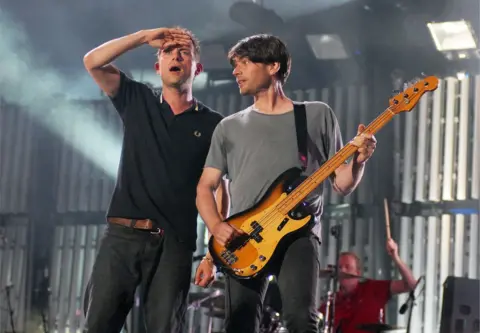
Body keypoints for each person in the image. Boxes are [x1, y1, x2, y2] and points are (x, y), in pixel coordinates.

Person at [195, 34, 377, 333]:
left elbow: (342, 184)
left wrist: (359, 161)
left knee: (301, 321)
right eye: (234, 66)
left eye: (243, 63)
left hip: (298, 235)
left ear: (272, 66)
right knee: (239, 324)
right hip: (243, 237)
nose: (235, 72)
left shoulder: (317, 114)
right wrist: (215, 226)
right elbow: (205, 187)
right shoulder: (228, 127)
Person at [82, 27, 224, 333]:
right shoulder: (137, 99)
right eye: (168, 51)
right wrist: (144, 37)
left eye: (184, 52)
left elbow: (217, 188)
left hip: (174, 244)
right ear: (157, 67)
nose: (176, 55)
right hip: (122, 236)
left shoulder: (214, 124)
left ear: (196, 68)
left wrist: (213, 253)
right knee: (97, 325)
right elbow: (92, 61)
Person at [318, 238, 417, 333]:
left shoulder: (372, 288)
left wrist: (395, 257)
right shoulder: (331, 304)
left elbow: (410, 285)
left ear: (358, 272)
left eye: (347, 267)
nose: (342, 271)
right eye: (340, 267)